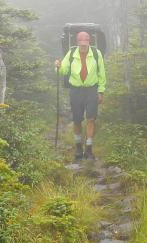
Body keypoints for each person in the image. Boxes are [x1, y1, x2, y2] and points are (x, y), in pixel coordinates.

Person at [55, 31, 106, 161]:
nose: (83, 45)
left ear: (89, 42)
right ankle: (78, 148)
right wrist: (58, 66)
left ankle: (88, 149)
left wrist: (101, 92)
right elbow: (63, 70)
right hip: (75, 90)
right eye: (81, 43)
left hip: (91, 90)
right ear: (77, 42)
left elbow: (101, 74)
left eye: (85, 42)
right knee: (77, 120)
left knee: (91, 119)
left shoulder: (96, 54)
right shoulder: (71, 53)